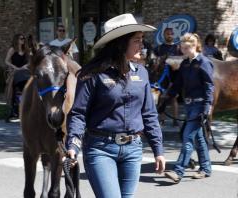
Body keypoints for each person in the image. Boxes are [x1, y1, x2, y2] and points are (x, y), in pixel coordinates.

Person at [66, 13, 166, 197]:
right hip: (100, 149)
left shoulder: (142, 73)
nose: (142, 45)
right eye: (137, 40)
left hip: (133, 149)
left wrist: (158, 149)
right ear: (121, 43)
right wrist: (73, 145)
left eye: (142, 39)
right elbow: (78, 113)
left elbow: (149, 114)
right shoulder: (92, 74)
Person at [159, 33, 214, 183]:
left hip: (200, 104)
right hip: (190, 105)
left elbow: (209, 86)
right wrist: (166, 98)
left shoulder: (204, 62)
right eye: (182, 48)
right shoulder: (185, 64)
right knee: (199, 138)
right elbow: (177, 84)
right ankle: (206, 168)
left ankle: (178, 171)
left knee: (188, 137)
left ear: (195, 46)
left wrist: (207, 107)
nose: (184, 51)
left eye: (187, 48)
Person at [154, 27, 182, 127]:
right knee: (161, 98)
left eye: (171, 33)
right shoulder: (159, 48)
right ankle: (162, 120)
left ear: (173, 35)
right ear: (164, 35)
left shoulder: (178, 48)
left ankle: (175, 120)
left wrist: (174, 63)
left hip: (174, 77)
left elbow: (181, 62)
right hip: (162, 79)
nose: (169, 35)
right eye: (167, 34)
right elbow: (155, 64)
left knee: (174, 98)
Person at [4, 33, 30, 122]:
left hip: (25, 71)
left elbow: (30, 61)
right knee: (17, 87)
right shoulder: (12, 49)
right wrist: (16, 68)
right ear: (17, 40)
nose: (23, 40)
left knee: (29, 82)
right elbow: (6, 61)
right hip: (16, 71)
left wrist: (25, 66)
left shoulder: (26, 50)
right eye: (21, 38)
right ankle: (17, 107)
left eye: (24, 38)